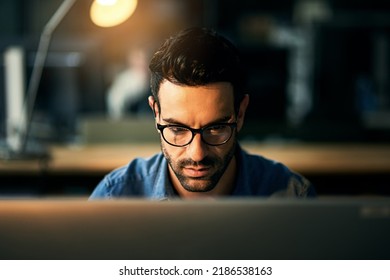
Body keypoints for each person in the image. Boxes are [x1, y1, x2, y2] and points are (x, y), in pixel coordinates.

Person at [90, 27, 315, 199]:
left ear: (241, 113)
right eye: (177, 129)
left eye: (216, 128)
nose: (197, 154)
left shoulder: (292, 197)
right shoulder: (116, 195)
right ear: (155, 112)